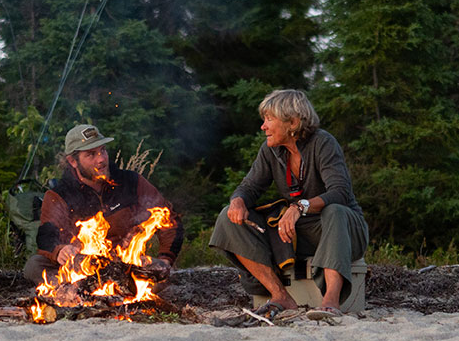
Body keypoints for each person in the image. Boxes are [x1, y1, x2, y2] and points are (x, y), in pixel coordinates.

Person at [209, 89, 369, 317]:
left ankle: (331, 301)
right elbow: (249, 187)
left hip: (343, 231)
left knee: (334, 211)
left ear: (293, 122)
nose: (263, 126)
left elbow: (340, 193)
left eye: (269, 119)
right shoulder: (270, 151)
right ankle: (280, 296)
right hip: (297, 235)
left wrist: (299, 206)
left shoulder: (323, 143)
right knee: (228, 216)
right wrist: (237, 201)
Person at [25, 123, 182, 286]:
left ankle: (113, 292)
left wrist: (165, 259)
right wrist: (59, 251)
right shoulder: (59, 195)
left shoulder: (130, 181)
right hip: (82, 268)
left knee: (159, 273)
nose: (101, 159)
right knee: (34, 266)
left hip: (125, 265)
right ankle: (78, 291)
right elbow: (46, 235)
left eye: (103, 150)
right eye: (91, 154)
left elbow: (170, 220)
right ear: (73, 161)